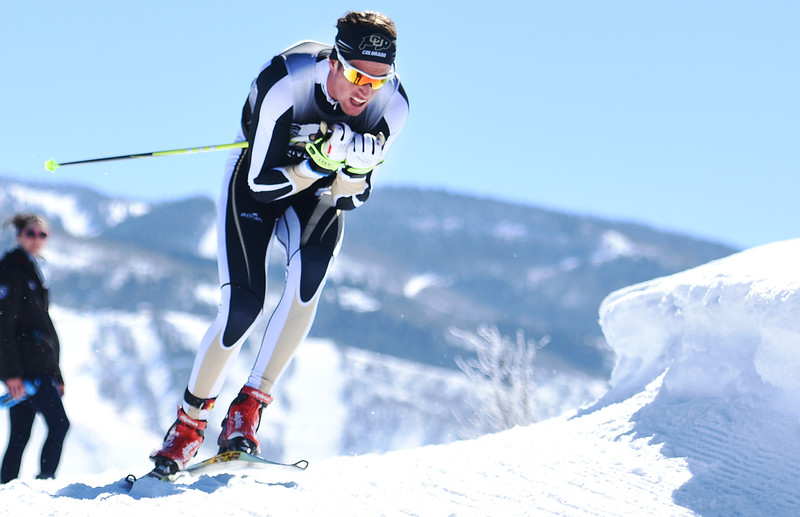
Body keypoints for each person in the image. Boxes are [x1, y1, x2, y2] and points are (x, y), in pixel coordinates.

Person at [150, 10, 409, 474]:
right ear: (333, 61)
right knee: (242, 309)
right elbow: (260, 185)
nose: (363, 90)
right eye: (353, 74)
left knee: (308, 283)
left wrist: (353, 171)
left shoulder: (392, 107)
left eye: (377, 79)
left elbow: (352, 200)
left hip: (317, 191)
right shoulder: (285, 82)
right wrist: (316, 162)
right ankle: (188, 426)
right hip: (259, 176)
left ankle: (247, 408)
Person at [0, 214, 69, 483]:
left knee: (20, 434)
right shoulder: (11, 270)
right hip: (27, 368)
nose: (37, 239)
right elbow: (3, 325)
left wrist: (58, 375)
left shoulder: (35, 269)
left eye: (43, 235)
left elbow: (45, 328)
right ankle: (45, 480)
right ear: (19, 235)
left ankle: (5, 488)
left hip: (40, 365)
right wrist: (11, 374)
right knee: (60, 425)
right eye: (31, 233)